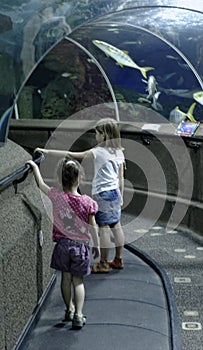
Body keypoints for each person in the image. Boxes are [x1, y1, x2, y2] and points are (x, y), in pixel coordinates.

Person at [35, 118, 125, 273]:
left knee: (103, 227)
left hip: (102, 193)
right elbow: (121, 178)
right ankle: (118, 259)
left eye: (97, 133)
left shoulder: (97, 152)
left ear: (104, 135)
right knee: (116, 225)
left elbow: (72, 154)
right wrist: (121, 196)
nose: (95, 136)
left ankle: (103, 264)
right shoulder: (119, 153)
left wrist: (47, 152)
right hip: (115, 193)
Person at [26, 157, 100, 329]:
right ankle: (79, 315)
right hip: (80, 246)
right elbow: (93, 226)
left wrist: (34, 166)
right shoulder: (88, 203)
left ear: (60, 179)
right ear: (80, 178)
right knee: (78, 281)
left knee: (65, 279)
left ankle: (69, 309)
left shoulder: (57, 197)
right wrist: (96, 244)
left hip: (62, 245)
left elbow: (41, 184)